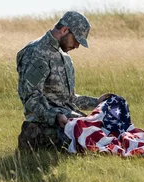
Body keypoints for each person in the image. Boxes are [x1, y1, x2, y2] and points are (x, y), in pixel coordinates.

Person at [15, 11, 112, 151]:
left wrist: (97, 102)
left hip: (68, 121)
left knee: (108, 131)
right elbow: (30, 96)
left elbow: (68, 99)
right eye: (77, 40)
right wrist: (55, 116)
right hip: (44, 127)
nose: (77, 46)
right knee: (95, 141)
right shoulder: (36, 52)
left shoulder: (64, 56)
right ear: (65, 30)